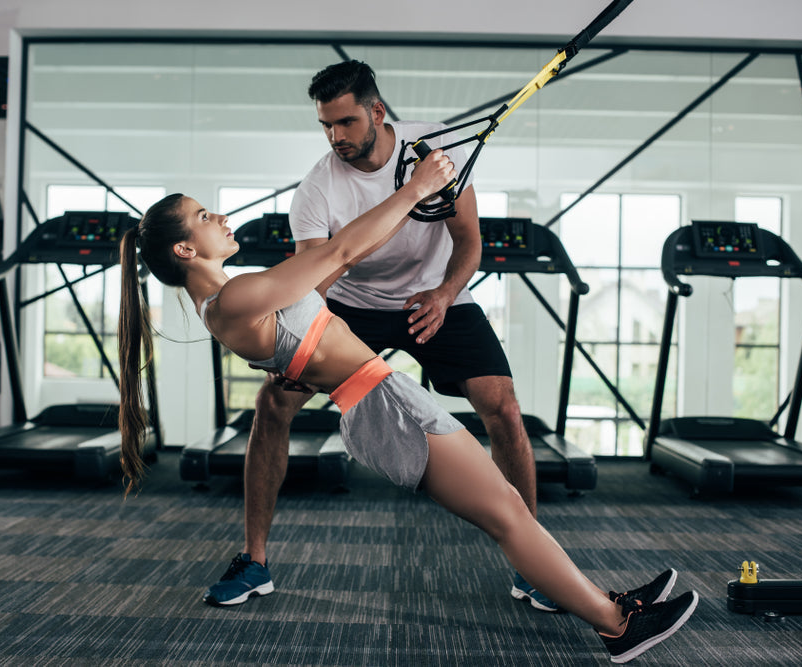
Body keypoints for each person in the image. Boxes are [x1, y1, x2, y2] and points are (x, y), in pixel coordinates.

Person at [117, 154, 698, 664]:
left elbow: (336, 271)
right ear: (185, 249)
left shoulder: (231, 303)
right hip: (385, 408)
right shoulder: (236, 297)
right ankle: (616, 626)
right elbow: (341, 249)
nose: (220, 217)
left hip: (383, 401)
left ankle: (610, 604)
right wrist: (415, 189)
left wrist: (402, 210)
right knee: (509, 516)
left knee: (508, 511)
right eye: (203, 216)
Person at [207, 58, 558, 612]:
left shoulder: (435, 152)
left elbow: (469, 239)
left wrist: (444, 293)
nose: (335, 136)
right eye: (325, 125)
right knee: (273, 404)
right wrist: (288, 345)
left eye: (345, 122)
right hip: (354, 305)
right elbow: (313, 278)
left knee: (504, 407)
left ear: (376, 111)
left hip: (438, 297)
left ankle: (537, 566)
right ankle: (254, 561)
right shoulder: (318, 187)